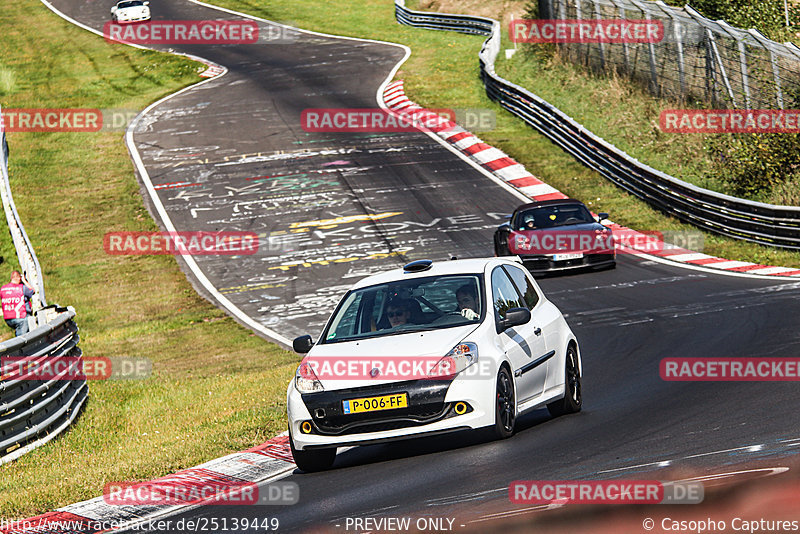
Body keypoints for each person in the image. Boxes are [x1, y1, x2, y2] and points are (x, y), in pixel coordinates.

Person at [1, 270, 35, 337]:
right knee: (23, 339)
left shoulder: (3, 289)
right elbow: (32, 291)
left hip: (8, 318)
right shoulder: (22, 288)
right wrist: (25, 281)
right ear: (19, 278)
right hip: (21, 317)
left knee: (18, 333)